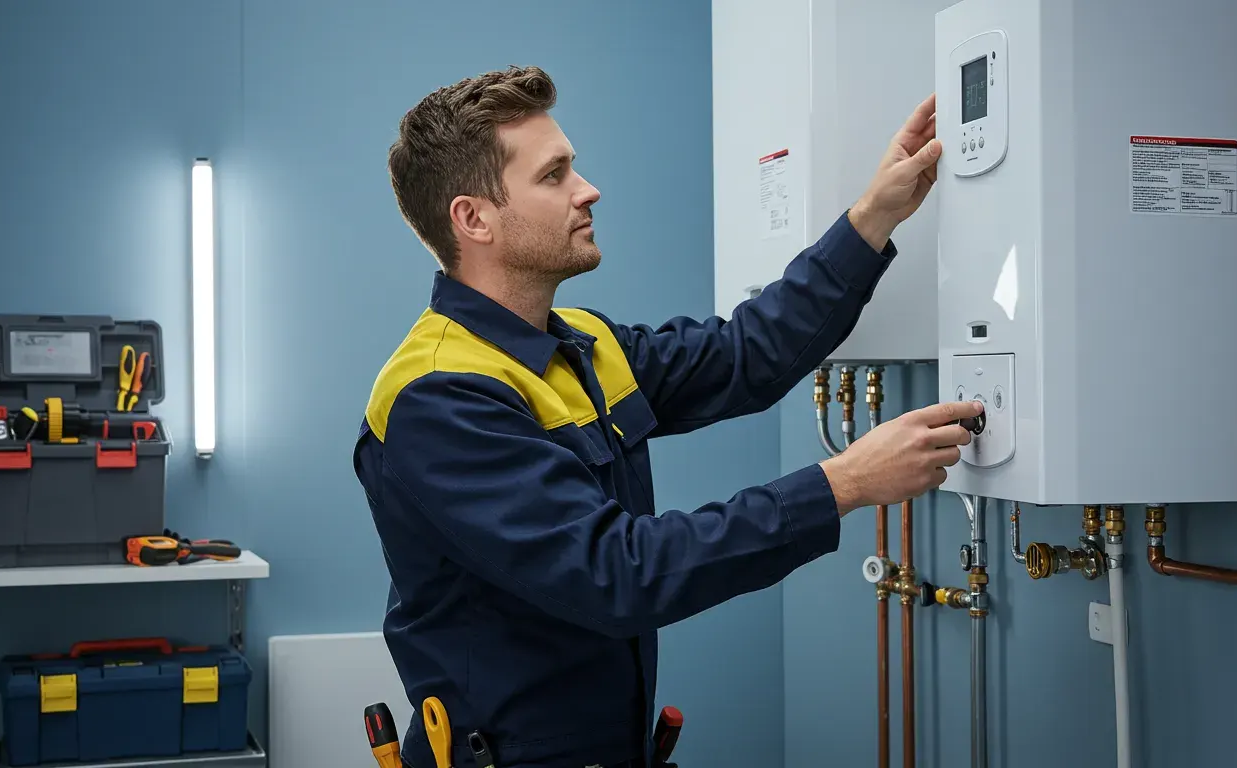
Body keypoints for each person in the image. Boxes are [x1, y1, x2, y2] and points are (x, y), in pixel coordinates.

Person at [352, 65, 981, 768]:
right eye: (555, 174)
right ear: (474, 219)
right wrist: (844, 484)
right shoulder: (440, 396)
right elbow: (617, 573)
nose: (588, 190)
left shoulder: (583, 345)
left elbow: (747, 353)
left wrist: (873, 217)